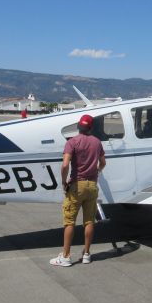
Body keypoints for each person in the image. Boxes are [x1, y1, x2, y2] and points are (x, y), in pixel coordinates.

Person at [50, 114, 106, 267]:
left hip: (76, 185)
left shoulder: (72, 142)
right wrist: (97, 171)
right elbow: (103, 162)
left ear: (78, 127)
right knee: (89, 221)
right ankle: (87, 254)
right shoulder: (97, 142)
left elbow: (65, 165)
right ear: (91, 127)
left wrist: (64, 182)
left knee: (69, 222)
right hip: (92, 185)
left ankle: (66, 257)